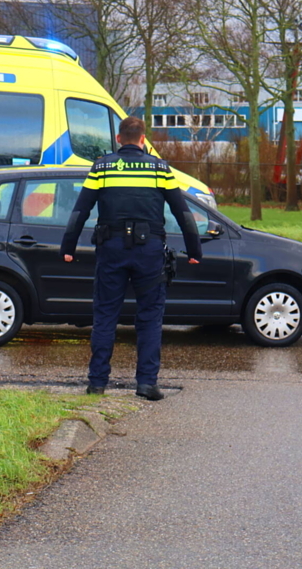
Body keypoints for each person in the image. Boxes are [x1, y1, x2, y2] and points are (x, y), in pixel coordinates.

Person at [60, 116, 202, 400]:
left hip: (110, 249)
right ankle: (147, 384)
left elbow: (80, 210)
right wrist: (194, 250)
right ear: (142, 139)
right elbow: (182, 212)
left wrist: (68, 247)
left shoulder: (102, 167)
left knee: (105, 315)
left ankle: (97, 383)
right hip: (149, 251)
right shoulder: (159, 168)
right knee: (149, 317)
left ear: (118, 139)